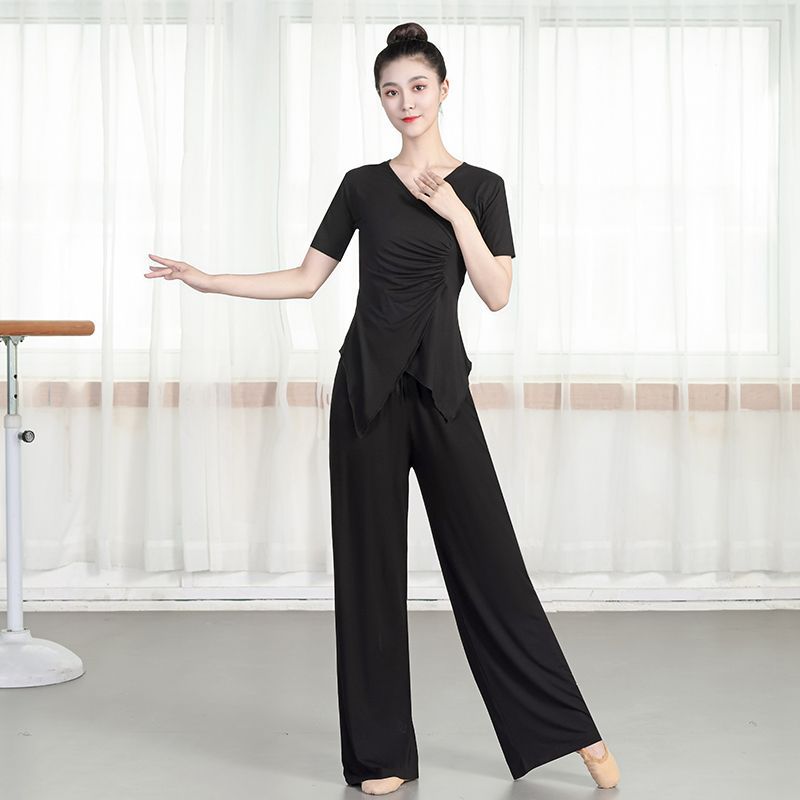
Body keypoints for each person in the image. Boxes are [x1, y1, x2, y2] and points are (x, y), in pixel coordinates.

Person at [144, 20, 620, 798]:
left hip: (442, 392)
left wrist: (455, 210)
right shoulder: (362, 186)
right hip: (364, 393)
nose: (406, 101)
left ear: (444, 89)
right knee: (368, 576)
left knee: (492, 564)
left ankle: (571, 732)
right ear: (381, 98)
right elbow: (306, 279)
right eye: (391, 91)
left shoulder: (484, 187)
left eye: (418, 86)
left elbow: (497, 293)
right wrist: (210, 280)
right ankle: (381, 755)